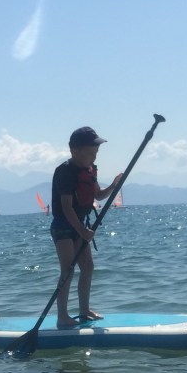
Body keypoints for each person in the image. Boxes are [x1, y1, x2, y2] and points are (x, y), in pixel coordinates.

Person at [50, 126, 122, 328]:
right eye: (90, 153)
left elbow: (98, 196)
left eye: (96, 153)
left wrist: (115, 185)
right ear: (75, 151)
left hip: (80, 226)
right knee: (68, 269)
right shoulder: (65, 171)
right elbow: (66, 207)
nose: (94, 156)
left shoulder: (90, 170)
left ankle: (84, 310)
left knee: (88, 267)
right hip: (64, 226)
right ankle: (62, 316)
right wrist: (82, 231)